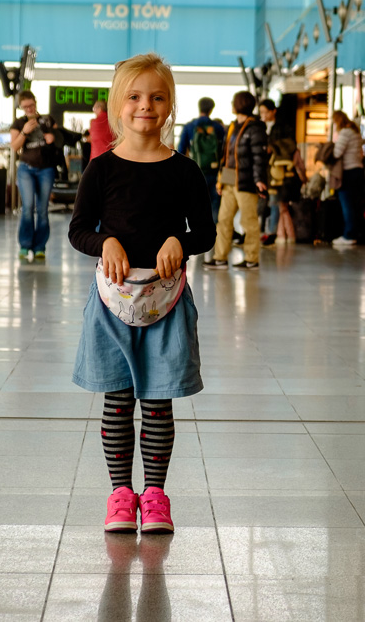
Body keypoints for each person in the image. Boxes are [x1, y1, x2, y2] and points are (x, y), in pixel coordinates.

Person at [68, 52, 215, 535]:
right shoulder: (102, 169)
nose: (144, 106)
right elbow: (77, 230)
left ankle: (154, 496)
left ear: (170, 105)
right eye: (133, 96)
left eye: (156, 97)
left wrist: (181, 240)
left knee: (156, 402)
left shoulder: (185, 170)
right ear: (117, 105)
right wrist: (104, 240)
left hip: (166, 302)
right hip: (112, 302)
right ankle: (119, 494)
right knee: (117, 399)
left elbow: (206, 233)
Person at [207, 91, 267, 270]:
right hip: (229, 179)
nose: (232, 104)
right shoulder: (233, 126)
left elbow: (259, 157)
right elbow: (226, 155)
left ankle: (251, 259)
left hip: (246, 181)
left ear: (240, 104)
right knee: (224, 219)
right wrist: (221, 180)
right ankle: (220, 257)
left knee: (248, 221)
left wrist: (259, 180)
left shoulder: (255, 128)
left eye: (234, 101)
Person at [10, 90, 59, 261]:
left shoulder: (47, 119)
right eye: (25, 107)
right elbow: (14, 147)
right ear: (21, 107)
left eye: (31, 105)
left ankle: (40, 247)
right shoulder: (19, 123)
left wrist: (53, 137)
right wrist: (24, 132)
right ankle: (25, 245)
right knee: (28, 207)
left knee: (43, 209)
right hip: (26, 168)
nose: (29, 109)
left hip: (46, 168)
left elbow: (60, 140)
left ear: (36, 103)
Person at [258, 99, 300, 246]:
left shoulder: (283, 126)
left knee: (276, 202)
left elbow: (291, 145)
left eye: (265, 112)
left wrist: (273, 147)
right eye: (261, 112)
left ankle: (272, 233)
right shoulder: (259, 126)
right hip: (263, 170)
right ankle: (273, 232)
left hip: (278, 172)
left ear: (273, 111)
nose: (263, 115)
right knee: (266, 202)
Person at [176, 97, 226, 222]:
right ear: (211, 109)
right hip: (214, 172)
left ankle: (198, 236)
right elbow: (223, 149)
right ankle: (214, 236)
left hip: (196, 170)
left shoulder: (189, 127)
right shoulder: (218, 128)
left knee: (196, 203)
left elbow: (181, 150)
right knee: (215, 203)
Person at [330, 110, 365, 247]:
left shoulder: (345, 133)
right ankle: (357, 233)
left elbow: (337, 152)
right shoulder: (355, 132)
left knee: (347, 204)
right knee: (354, 204)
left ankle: (349, 234)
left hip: (348, 172)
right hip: (358, 171)